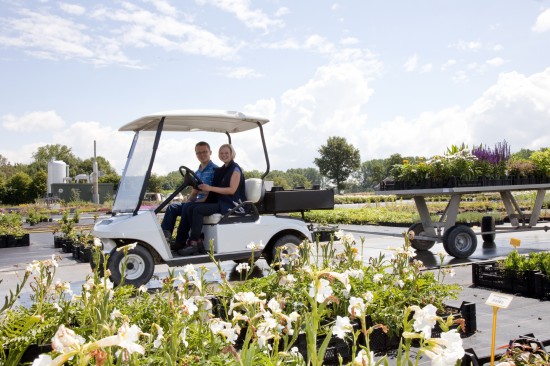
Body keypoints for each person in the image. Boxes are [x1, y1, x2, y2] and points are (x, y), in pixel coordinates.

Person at [177, 143, 246, 256]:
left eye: (226, 153)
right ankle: (197, 242)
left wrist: (209, 188)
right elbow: (214, 191)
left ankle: (193, 243)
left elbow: (232, 190)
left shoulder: (235, 169)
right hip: (220, 201)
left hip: (231, 203)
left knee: (198, 210)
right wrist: (202, 199)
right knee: (189, 207)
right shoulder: (221, 170)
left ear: (232, 154)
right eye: (221, 153)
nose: (224, 155)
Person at [161, 141, 217, 250]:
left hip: (208, 202)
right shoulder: (197, 172)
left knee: (188, 207)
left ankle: (180, 241)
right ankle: (164, 239)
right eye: (198, 153)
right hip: (197, 202)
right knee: (172, 207)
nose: (202, 155)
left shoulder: (216, 170)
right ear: (196, 154)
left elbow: (213, 193)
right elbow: (194, 192)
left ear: (210, 152)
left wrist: (191, 203)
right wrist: (190, 200)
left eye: (204, 152)